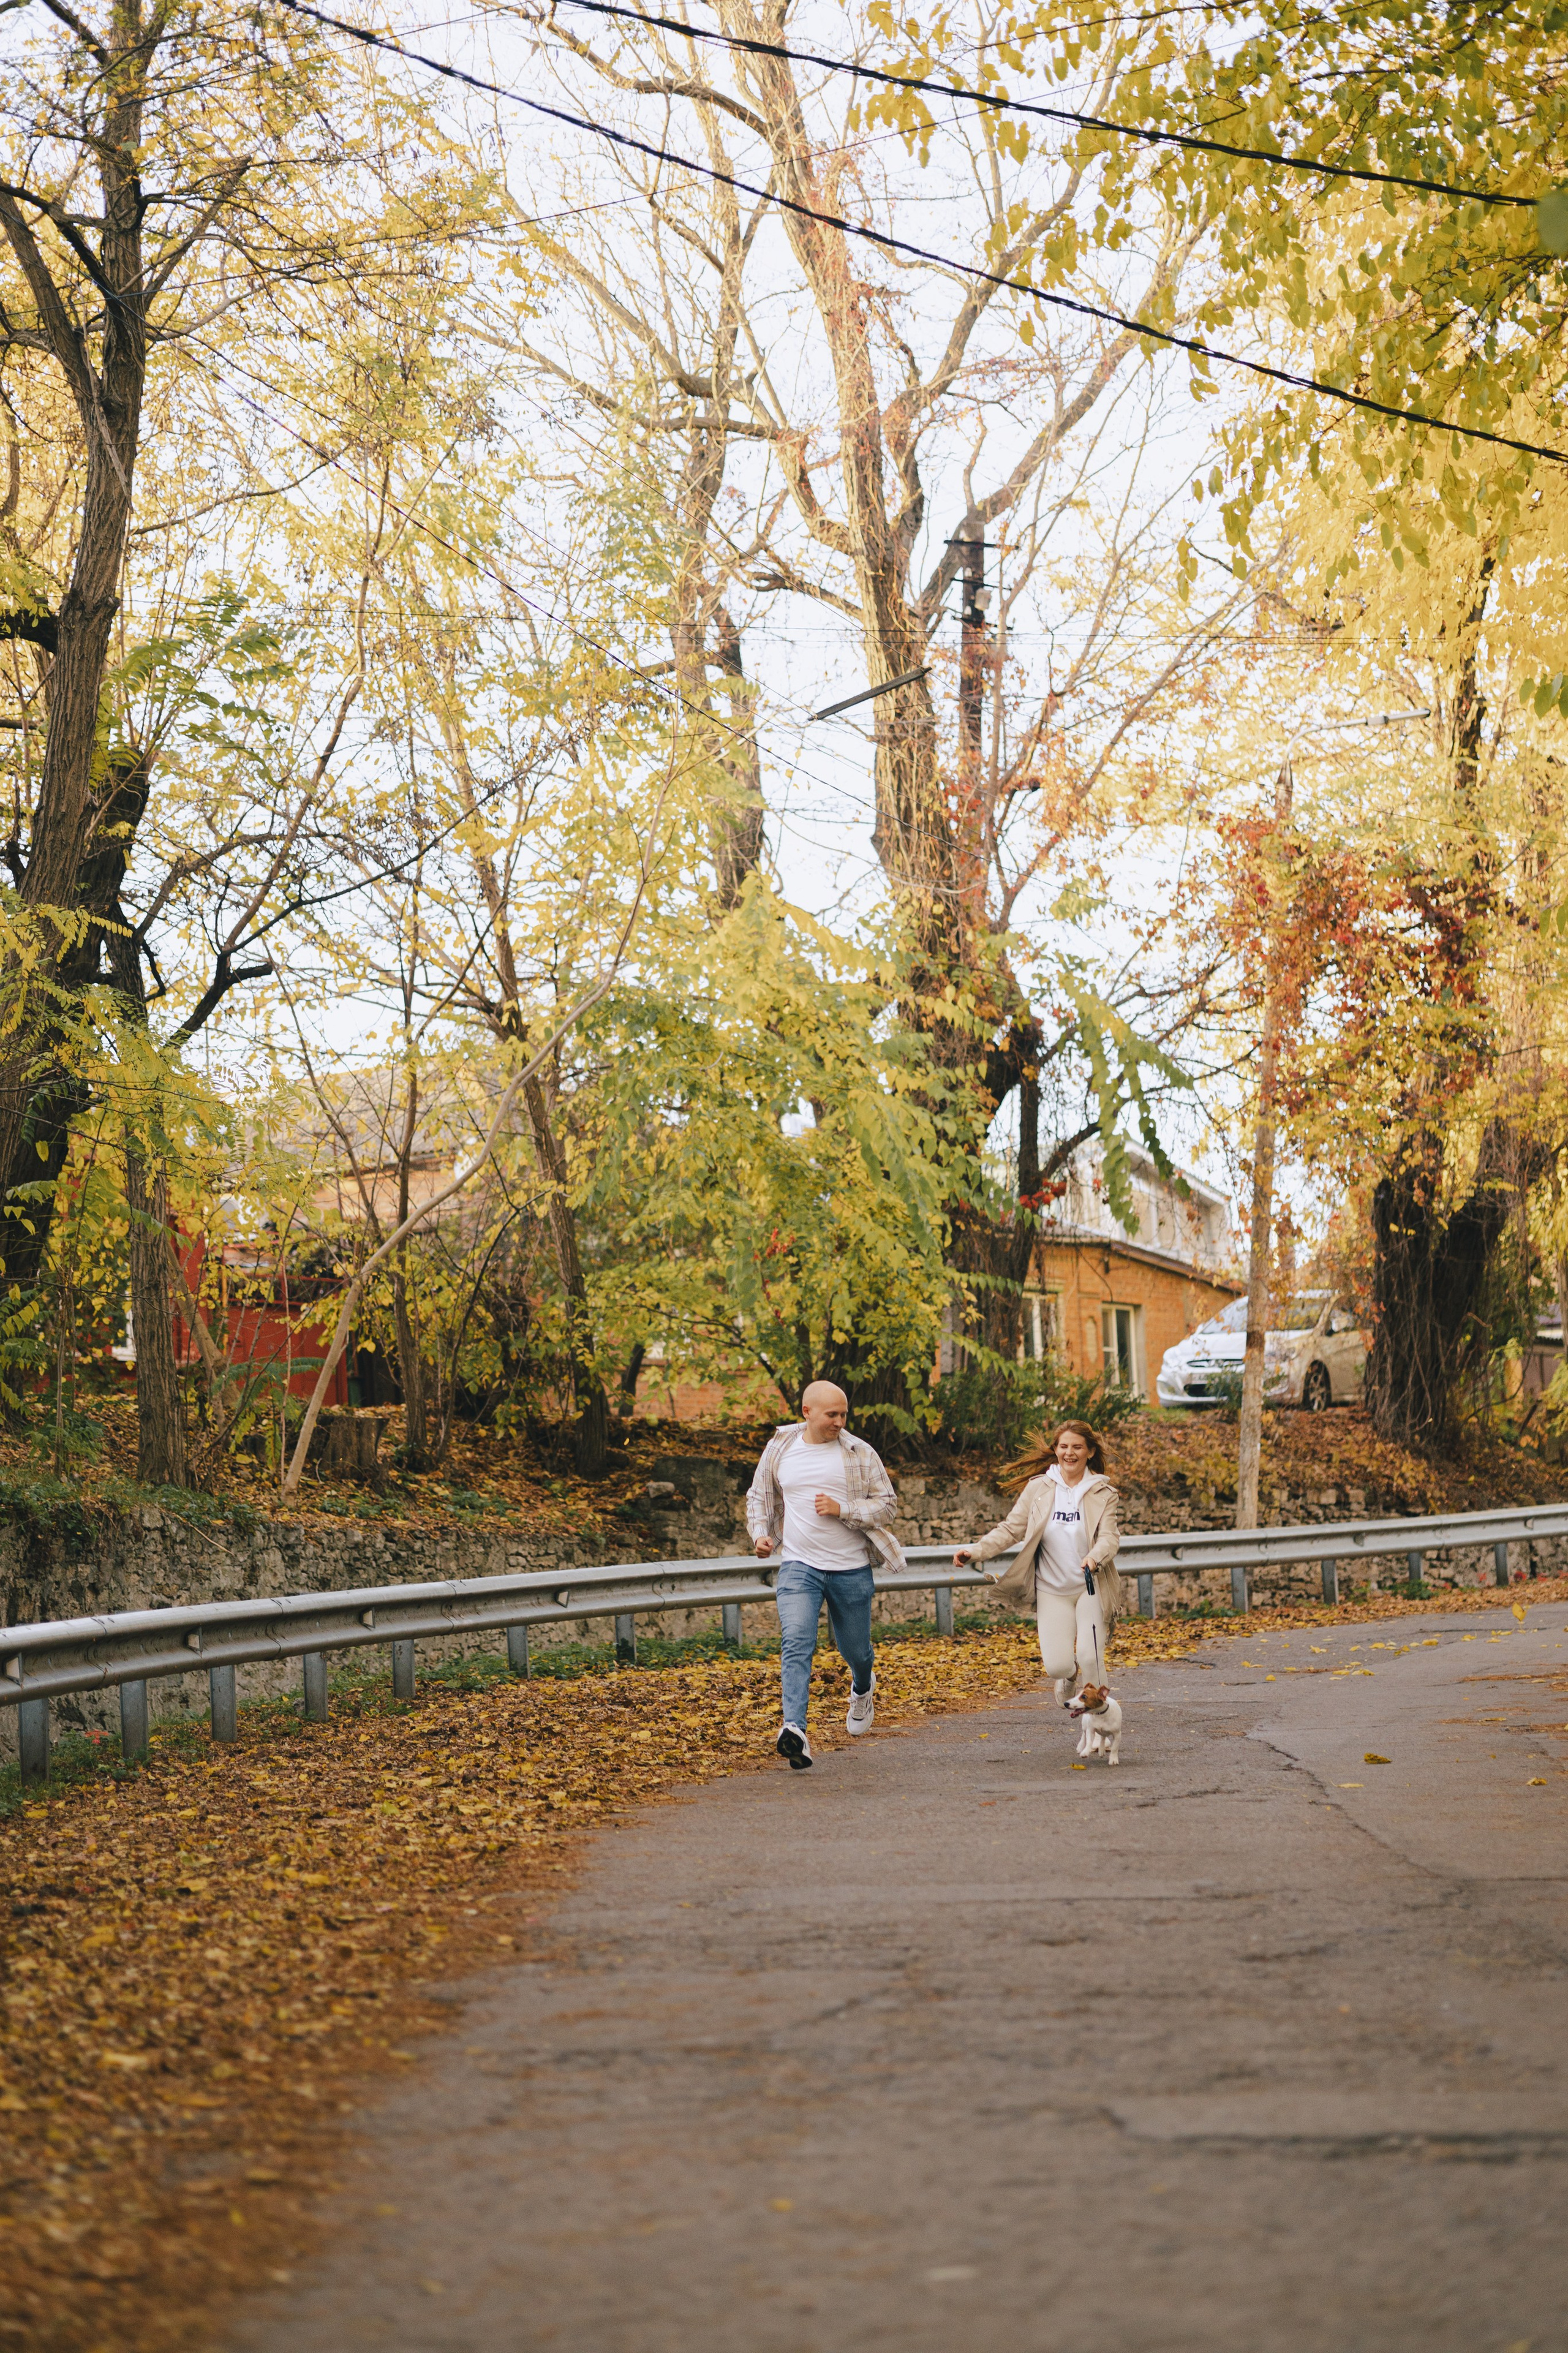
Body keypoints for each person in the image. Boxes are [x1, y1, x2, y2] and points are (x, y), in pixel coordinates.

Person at [746, 1380, 906, 1770]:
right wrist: (761, 1535)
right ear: (807, 1413)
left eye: (843, 1414)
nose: (839, 1422)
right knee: (797, 1640)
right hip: (799, 1566)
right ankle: (795, 1730)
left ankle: (863, 1686)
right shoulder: (781, 1448)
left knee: (856, 1652)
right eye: (831, 1414)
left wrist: (843, 1508)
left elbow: (888, 1507)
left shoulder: (859, 1452)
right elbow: (759, 1496)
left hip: (849, 1569)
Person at [952, 1420, 1125, 1705]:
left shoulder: (1103, 1494)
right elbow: (1011, 1529)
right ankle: (1069, 1676)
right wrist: (976, 1551)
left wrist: (1095, 1557)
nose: (1070, 1453)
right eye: (1064, 1446)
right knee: (1057, 1665)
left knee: (1090, 1655)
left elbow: (1110, 1537)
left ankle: (1100, 1726)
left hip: (1089, 1587)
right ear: (1056, 1450)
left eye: (1077, 1447)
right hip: (1051, 1589)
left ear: (1090, 1452)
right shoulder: (1039, 1489)